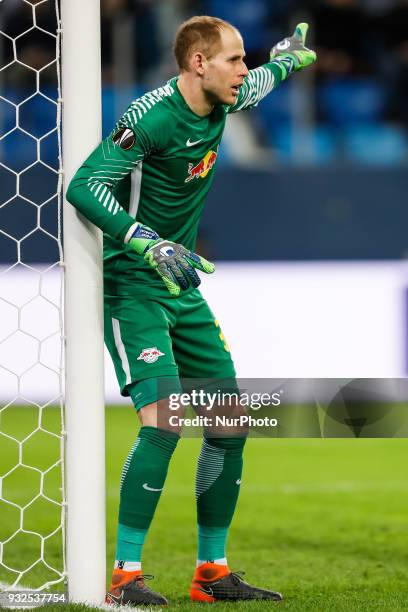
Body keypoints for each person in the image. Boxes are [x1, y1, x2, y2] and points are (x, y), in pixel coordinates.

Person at [66, 15, 316, 606]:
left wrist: (283, 59)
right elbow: (85, 185)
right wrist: (145, 240)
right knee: (165, 424)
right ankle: (125, 578)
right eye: (234, 59)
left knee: (229, 422)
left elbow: (257, 84)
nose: (243, 70)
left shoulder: (224, 98)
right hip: (134, 287)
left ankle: (212, 572)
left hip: (184, 288)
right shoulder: (150, 119)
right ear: (198, 63)